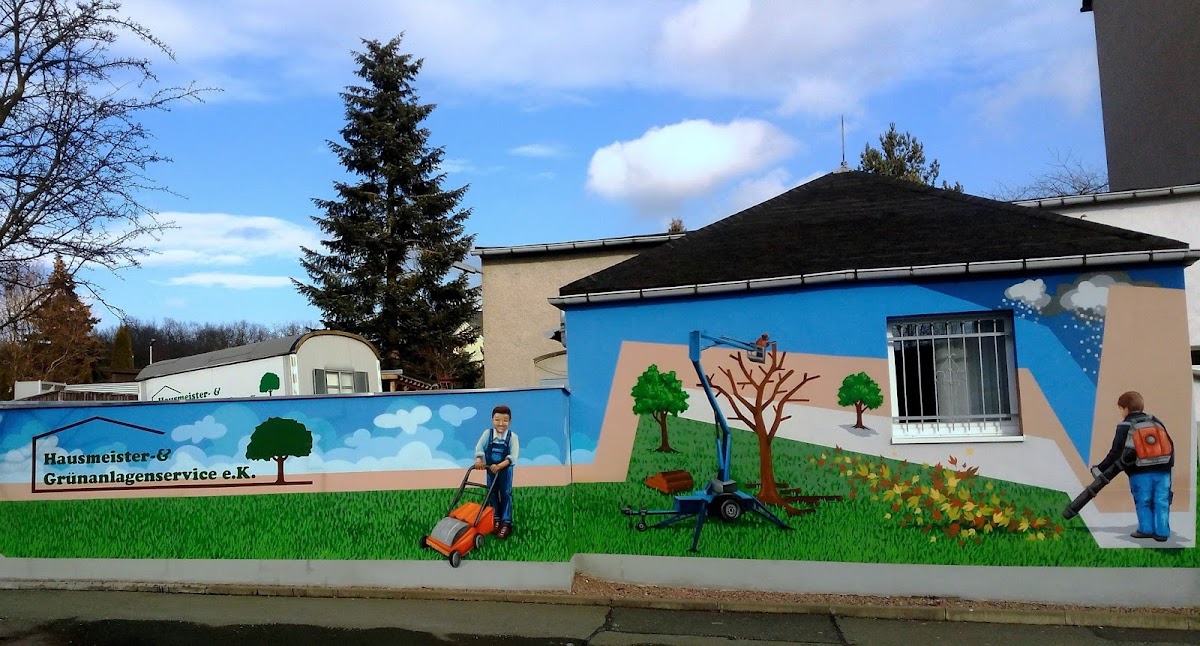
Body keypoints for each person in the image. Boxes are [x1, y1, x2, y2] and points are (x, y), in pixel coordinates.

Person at [1094, 391, 1174, 542]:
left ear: (1125, 408)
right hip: (1163, 470)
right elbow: (1169, 444)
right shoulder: (1155, 421)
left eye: (1120, 409)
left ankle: (1146, 529)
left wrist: (1099, 469)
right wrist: (1169, 466)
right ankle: (1162, 532)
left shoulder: (1125, 425)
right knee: (1162, 501)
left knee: (1143, 500)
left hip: (1139, 472)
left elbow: (1115, 453)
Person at [473, 404, 519, 539]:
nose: (501, 423)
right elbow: (479, 447)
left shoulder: (512, 437)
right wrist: (479, 460)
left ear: (510, 421)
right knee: (491, 493)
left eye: (505, 420)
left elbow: (513, 456)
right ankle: (495, 519)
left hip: (505, 470)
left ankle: (506, 522)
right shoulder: (487, 434)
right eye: (497, 420)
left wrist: (500, 466)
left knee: (505, 493)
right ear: (492, 419)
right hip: (490, 470)